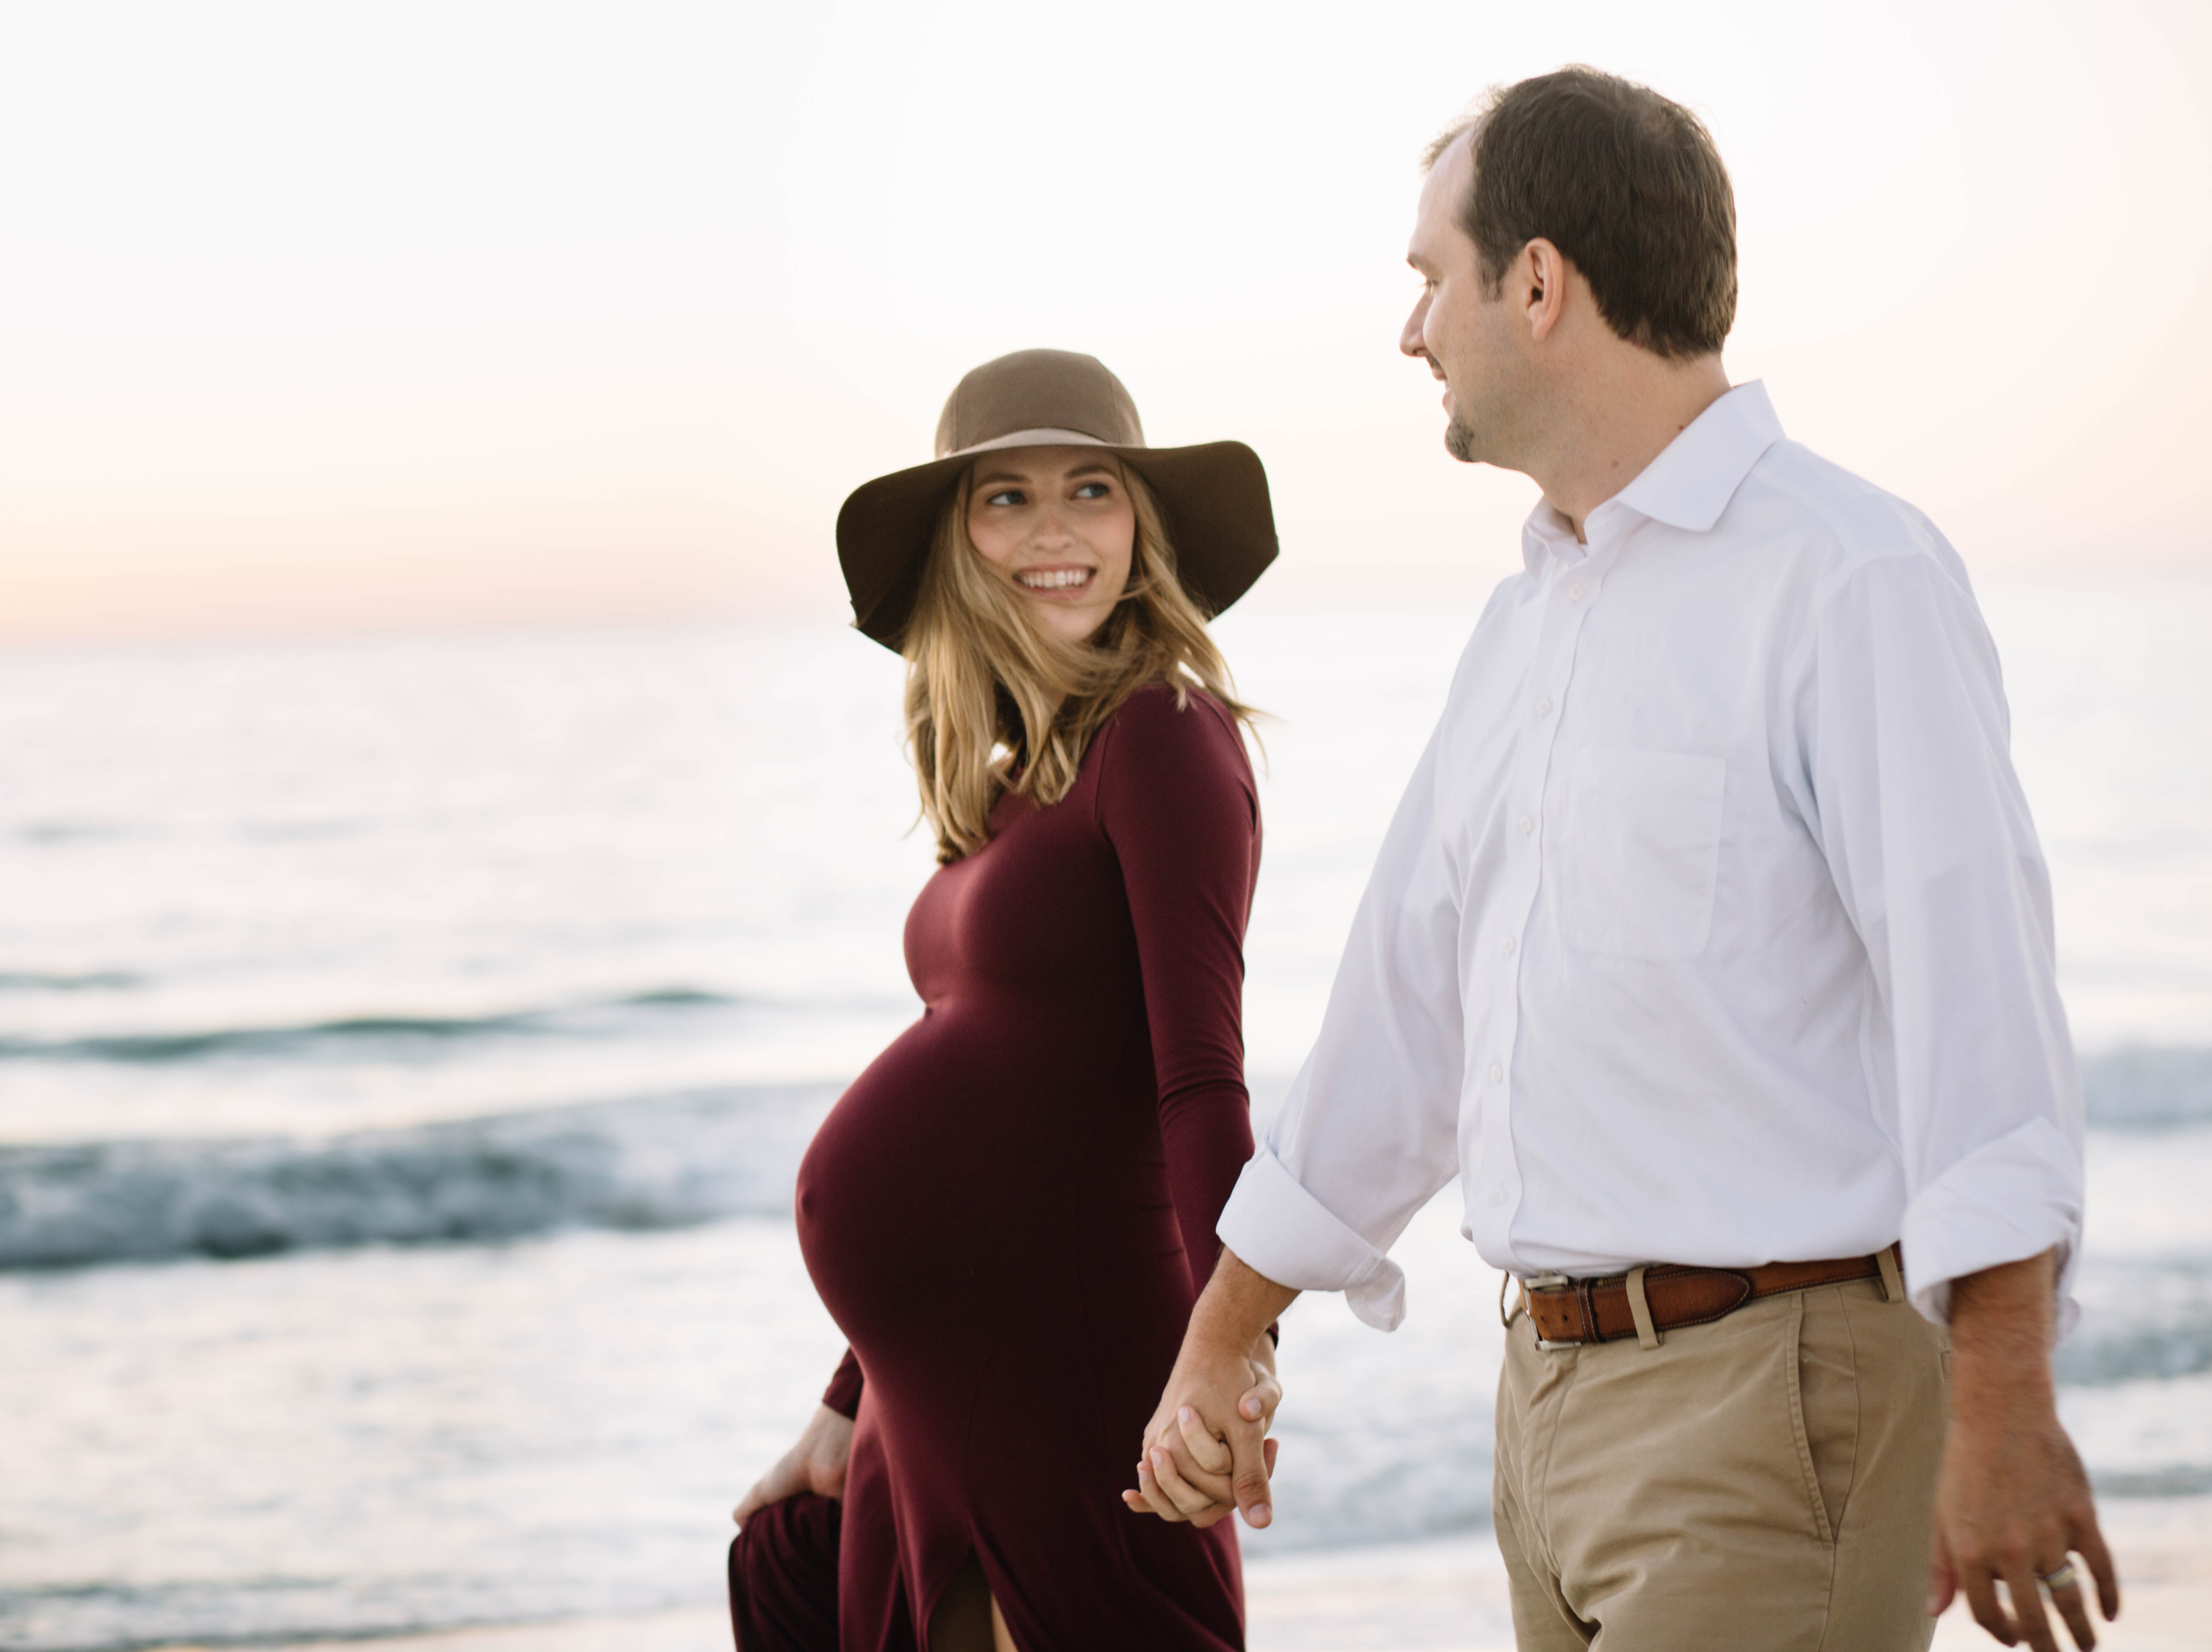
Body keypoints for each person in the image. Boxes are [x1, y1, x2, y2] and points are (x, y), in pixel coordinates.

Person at [1127, 67, 2119, 1652]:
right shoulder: (1525, 625)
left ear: (1537, 284)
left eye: (1428, 280)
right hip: (1540, 1412)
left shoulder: (1848, 576)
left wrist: (2005, 1399)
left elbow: (1978, 1006)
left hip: (1777, 1411)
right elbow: (1403, 1027)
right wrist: (1224, 1338)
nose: (1411, 332)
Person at [731, 348, 1282, 1652]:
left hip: (1066, 1384)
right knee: (783, 1568)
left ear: (1140, 528)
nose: (1055, 532)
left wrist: (1232, 1350)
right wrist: (849, 1397)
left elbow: (1200, 1080)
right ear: (958, 543)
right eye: (1006, 499)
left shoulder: (1163, 737)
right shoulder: (1014, 779)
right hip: (931, 1405)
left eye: (1092, 490)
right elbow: (1008, 1104)